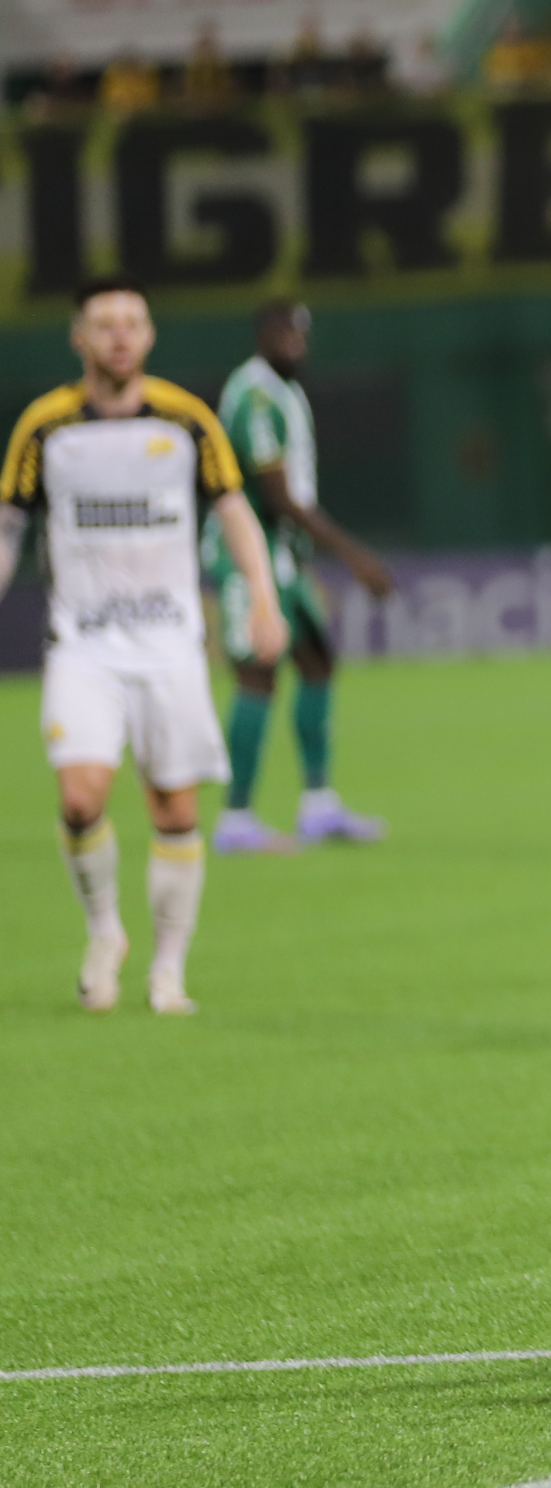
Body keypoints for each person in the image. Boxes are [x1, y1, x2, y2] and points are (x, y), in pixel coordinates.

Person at [3, 281, 286, 1014]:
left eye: (131, 323)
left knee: (173, 809)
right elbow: (8, 530)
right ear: (79, 338)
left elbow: (235, 512)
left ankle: (168, 970)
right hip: (83, 645)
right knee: (79, 795)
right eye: (104, 324)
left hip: (169, 644)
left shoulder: (187, 421)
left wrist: (261, 596)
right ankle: (105, 933)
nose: (119, 336)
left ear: (150, 335)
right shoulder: (45, 427)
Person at [206, 301, 393, 855]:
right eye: (285, 333)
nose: (296, 344)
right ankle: (236, 817)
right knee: (258, 672)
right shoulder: (257, 396)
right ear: (262, 334)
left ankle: (318, 806)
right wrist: (353, 555)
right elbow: (279, 498)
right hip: (247, 556)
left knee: (316, 661)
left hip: (282, 557)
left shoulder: (283, 390)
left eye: (302, 335)